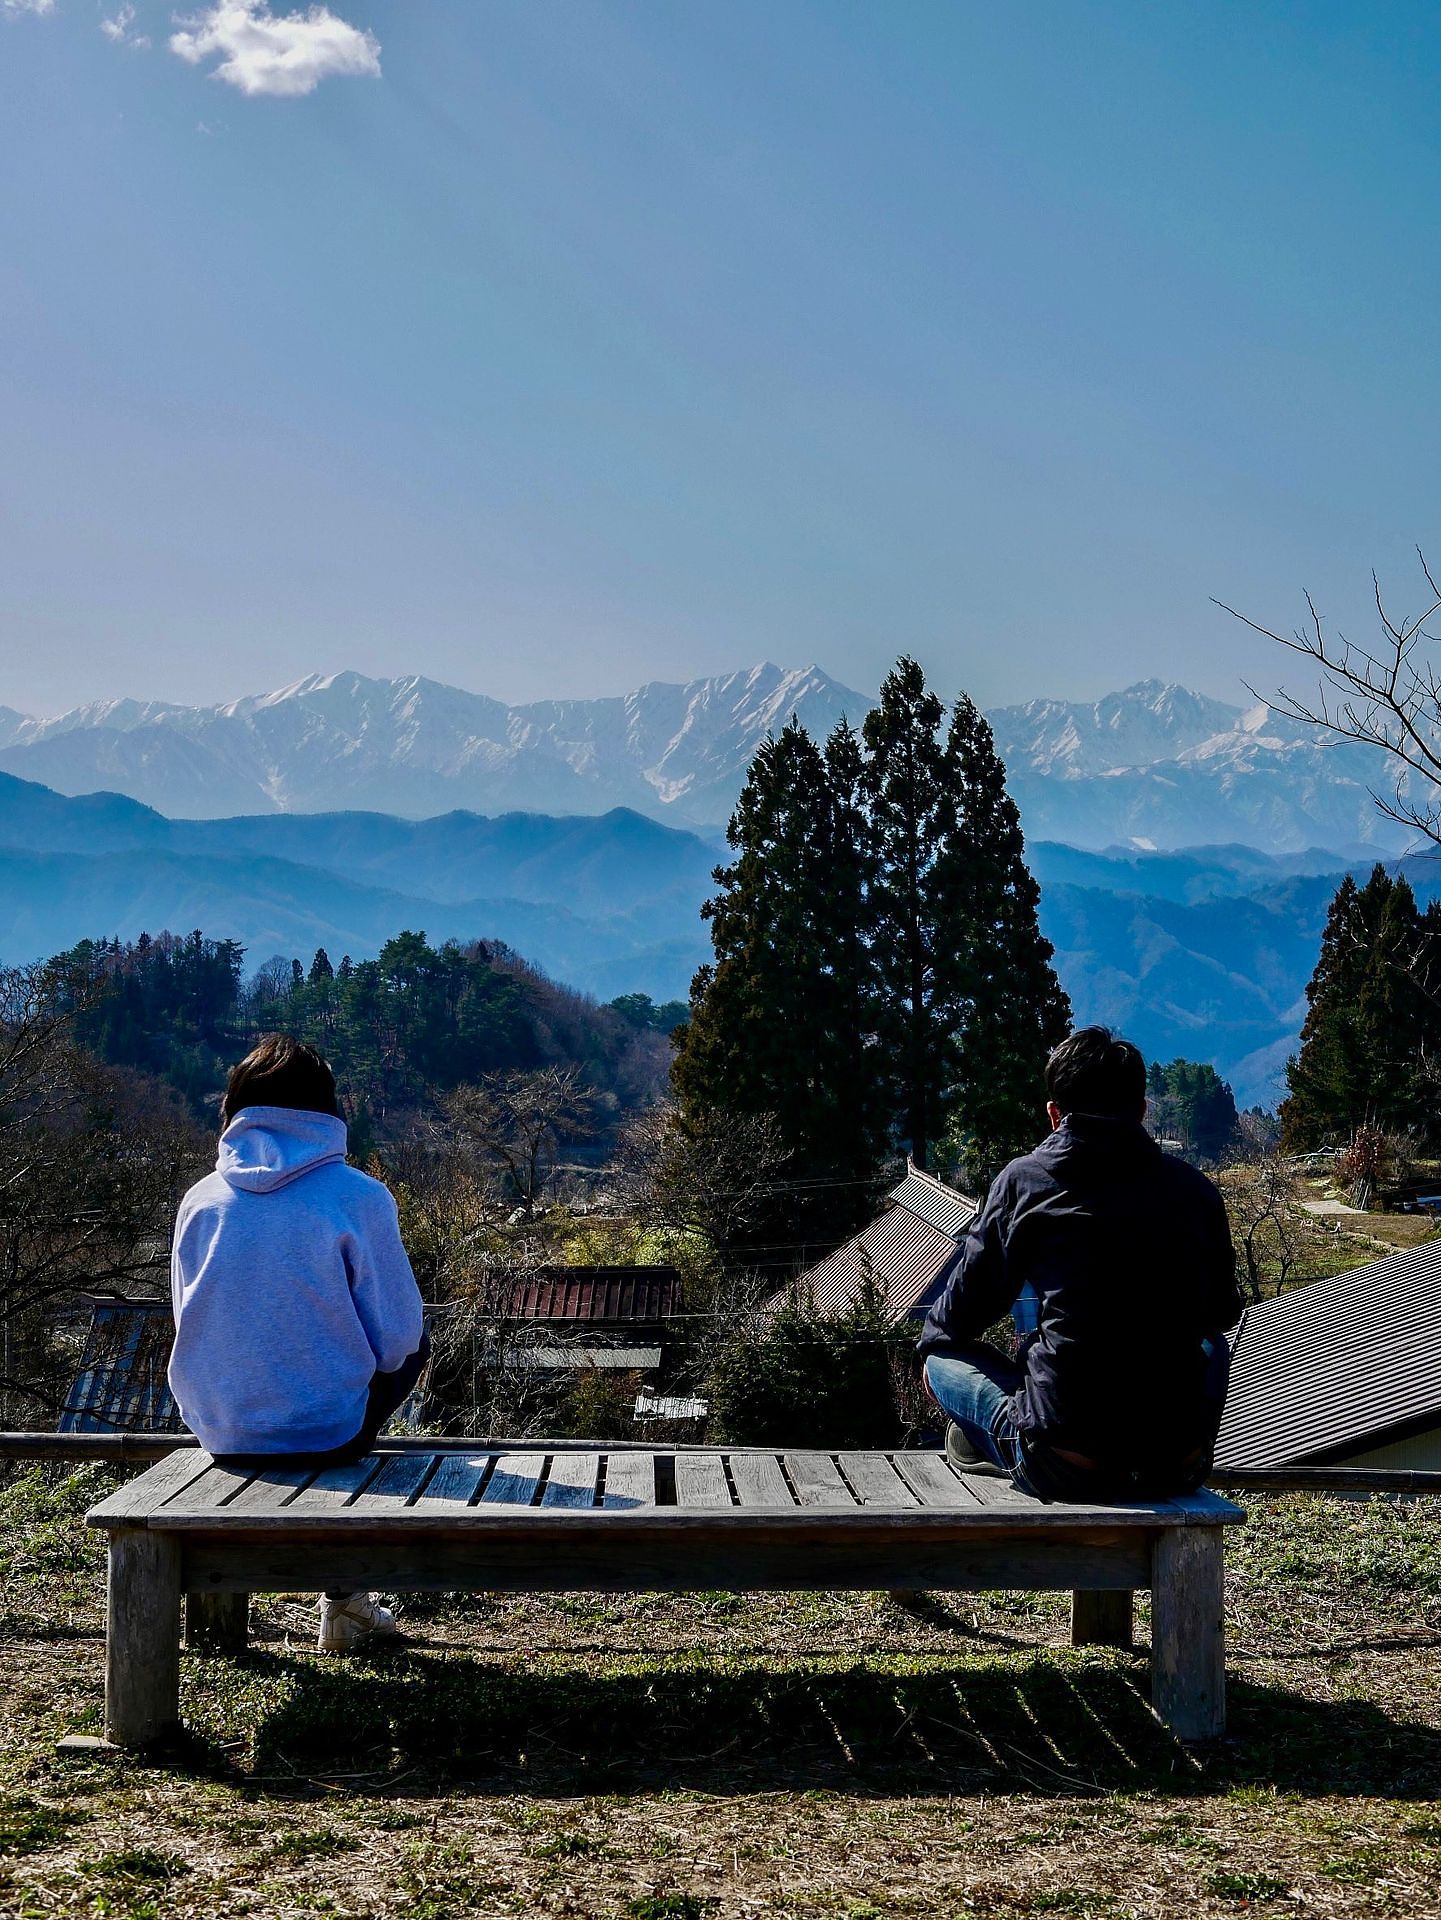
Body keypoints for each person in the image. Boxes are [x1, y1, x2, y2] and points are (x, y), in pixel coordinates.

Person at [169, 1034, 429, 1652]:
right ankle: (346, 1603)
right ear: (326, 1112)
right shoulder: (358, 1196)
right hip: (328, 1430)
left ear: (233, 1111)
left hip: (220, 1428)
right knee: (415, 1334)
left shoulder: (201, 1200)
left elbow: (189, 1318)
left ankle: (344, 1598)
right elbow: (397, 1338)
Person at [918, 1026, 1243, 1502]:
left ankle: (985, 1437)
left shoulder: (1025, 1183)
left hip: (1065, 1466)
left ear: (1055, 1114)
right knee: (1211, 1343)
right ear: (1142, 1111)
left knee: (941, 1361)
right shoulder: (1197, 1192)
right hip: (1174, 1464)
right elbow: (1221, 1314)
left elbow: (963, 1313)